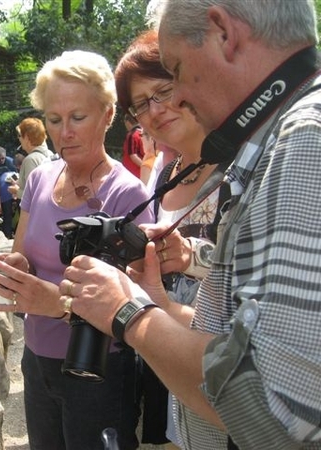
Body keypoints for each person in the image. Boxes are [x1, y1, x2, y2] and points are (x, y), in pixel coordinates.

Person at [61, 1, 321, 449]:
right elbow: (247, 338)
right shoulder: (280, 137)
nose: (176, 97)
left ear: (223, 31)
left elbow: (277, 408)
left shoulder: (304, 137)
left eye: (176, 70)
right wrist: (158, 304)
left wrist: (128, 313)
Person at [0, 50, 153, 450]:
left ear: (107, 115)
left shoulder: (129, 195)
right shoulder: (39, 179)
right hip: (36, 362)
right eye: (54, 119)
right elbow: (23, 254)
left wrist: (57, 303)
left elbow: (139, 308)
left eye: (78, 117)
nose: (65, 132)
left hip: (99, 370)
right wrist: (7, 267)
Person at [115, 28, 231, 449]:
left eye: (162, 91)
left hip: (219, 348)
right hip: (167, 333)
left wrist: (190, 257)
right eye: (141, 103)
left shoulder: (239, 166)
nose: (155, 110)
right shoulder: (167, 172)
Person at [8, 117, 54, 200]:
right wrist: (19, 182)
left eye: (19, 135)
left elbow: (35, 196)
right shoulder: (50, 154)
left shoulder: (31, 160)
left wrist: (16, 191)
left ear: (26, 137)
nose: (19, 138)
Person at [0, 146, 17, 239]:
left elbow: (17, 176)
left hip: (12, 185)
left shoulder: (10, 162)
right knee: (6, 213)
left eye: (3, 158)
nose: (1, 161)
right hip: (1, 186)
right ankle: (8, 234)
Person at [122, 114, 145, 178]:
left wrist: (144, 166)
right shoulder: (143, 133)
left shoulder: (132, 135)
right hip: (141, 173)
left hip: (132, 173)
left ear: (127, 122)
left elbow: (133, 155)